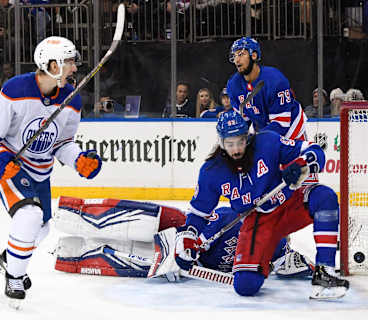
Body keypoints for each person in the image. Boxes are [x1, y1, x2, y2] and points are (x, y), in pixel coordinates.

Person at [0, 36, 102, 309]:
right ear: (52, 64)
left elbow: (62, 143)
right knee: (29, 215)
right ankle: (15, 276)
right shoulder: (16, 89)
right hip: (10, 167)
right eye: (68, 62)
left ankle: (10, 259)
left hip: (40, 172)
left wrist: (78, 159)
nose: (73, 68)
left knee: (41, 228)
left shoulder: (72, 100)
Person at [174, 111, 349, 299]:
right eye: (230, 144)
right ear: (221, 142)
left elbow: (314, 149)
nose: (236, 150)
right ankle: (276, 254)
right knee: (245, 285)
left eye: (240, 141)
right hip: (258, 222)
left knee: (325, 197)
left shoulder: (267, 142)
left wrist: (302, 163)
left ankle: (325, 270)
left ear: (247, 137)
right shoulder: (211, 171)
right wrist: (188, 237)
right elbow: (199, 213)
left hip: (289, 205)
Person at [51, 197, 313, 281]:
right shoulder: (242, 218)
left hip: (183, 264)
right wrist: (191, 245)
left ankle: (72, 256)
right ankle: (75, 214)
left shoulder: (276, 253)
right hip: (180, 232)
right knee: (162, 218)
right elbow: (210, 221)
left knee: (136, 259)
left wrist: (317, 268)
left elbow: (293, 267)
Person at [226, 37, 307, 140]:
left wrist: (256, 140)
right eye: (234, 55)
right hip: (262, 128)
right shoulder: (233, 85)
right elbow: (242, 121)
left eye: (241, 54)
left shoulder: (275, 80)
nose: (237, 59)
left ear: (254, 55)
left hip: (291, 129)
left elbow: (281, 123)